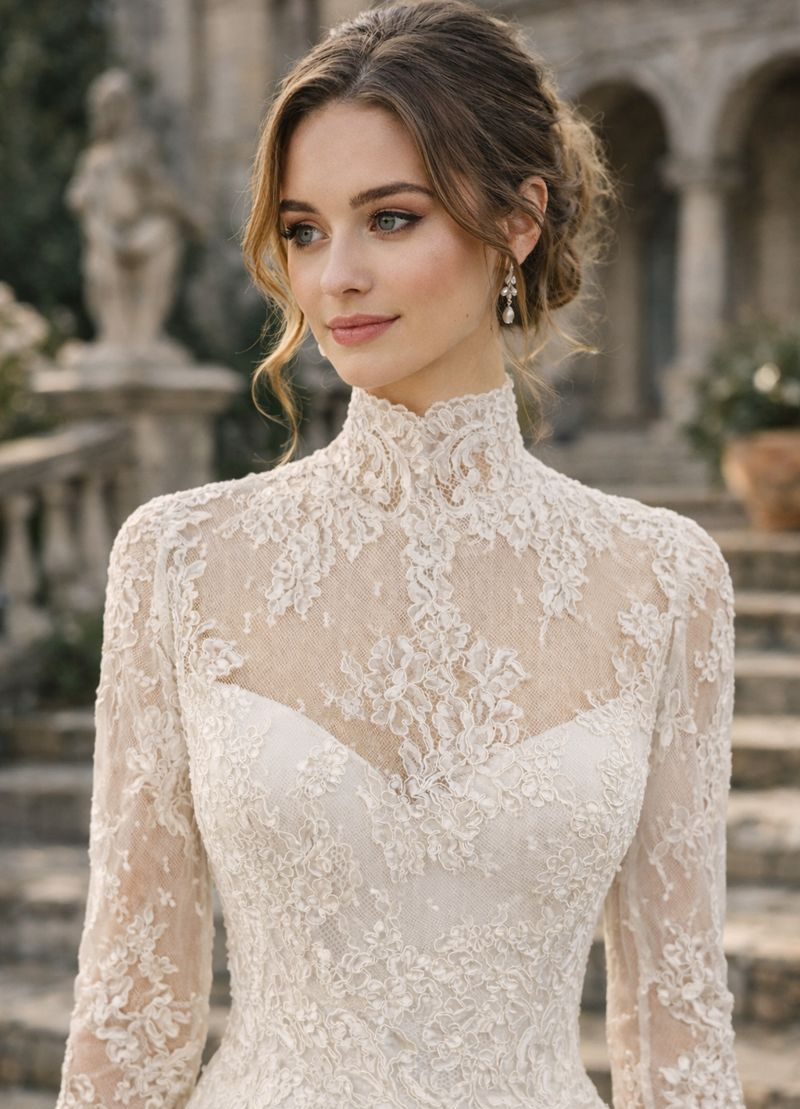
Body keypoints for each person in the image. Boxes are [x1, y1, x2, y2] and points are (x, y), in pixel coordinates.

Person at [55, 1, 747, 1106]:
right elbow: (126, 1028)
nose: (334, 278)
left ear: (518, 221)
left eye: (389, 219)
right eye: (302, 229)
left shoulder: (662, 579)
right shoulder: (179, 558)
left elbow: (677, 1032)